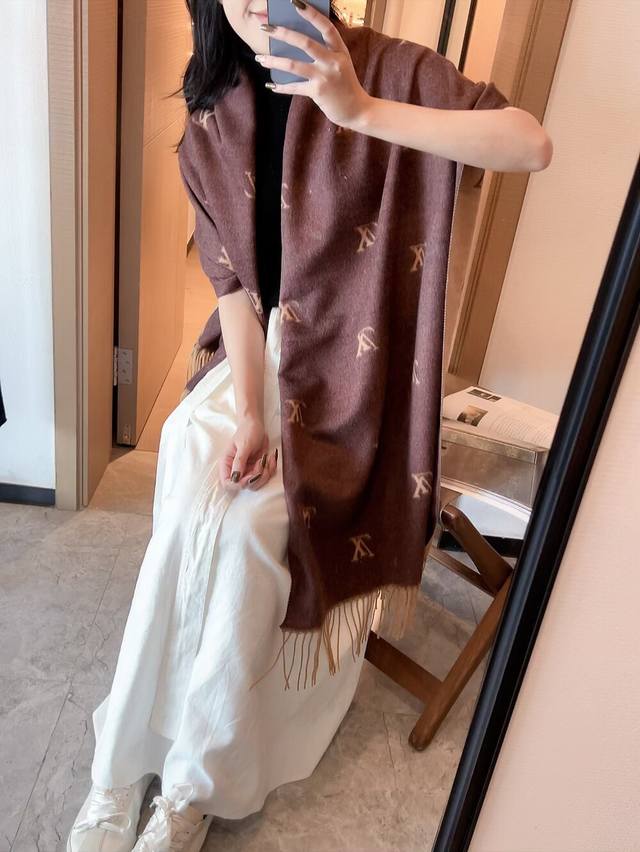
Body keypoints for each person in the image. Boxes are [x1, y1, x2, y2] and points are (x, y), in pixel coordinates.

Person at [67, 1, 551, 850]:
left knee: (253, 529)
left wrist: (358, 111)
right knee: (190, 486)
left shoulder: (386, 68)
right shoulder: (213, 103)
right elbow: (230, 285)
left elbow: (529, 143)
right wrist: (249, 414)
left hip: (353, 372)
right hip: (255, 356)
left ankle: (192, 789)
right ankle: (121, 765)